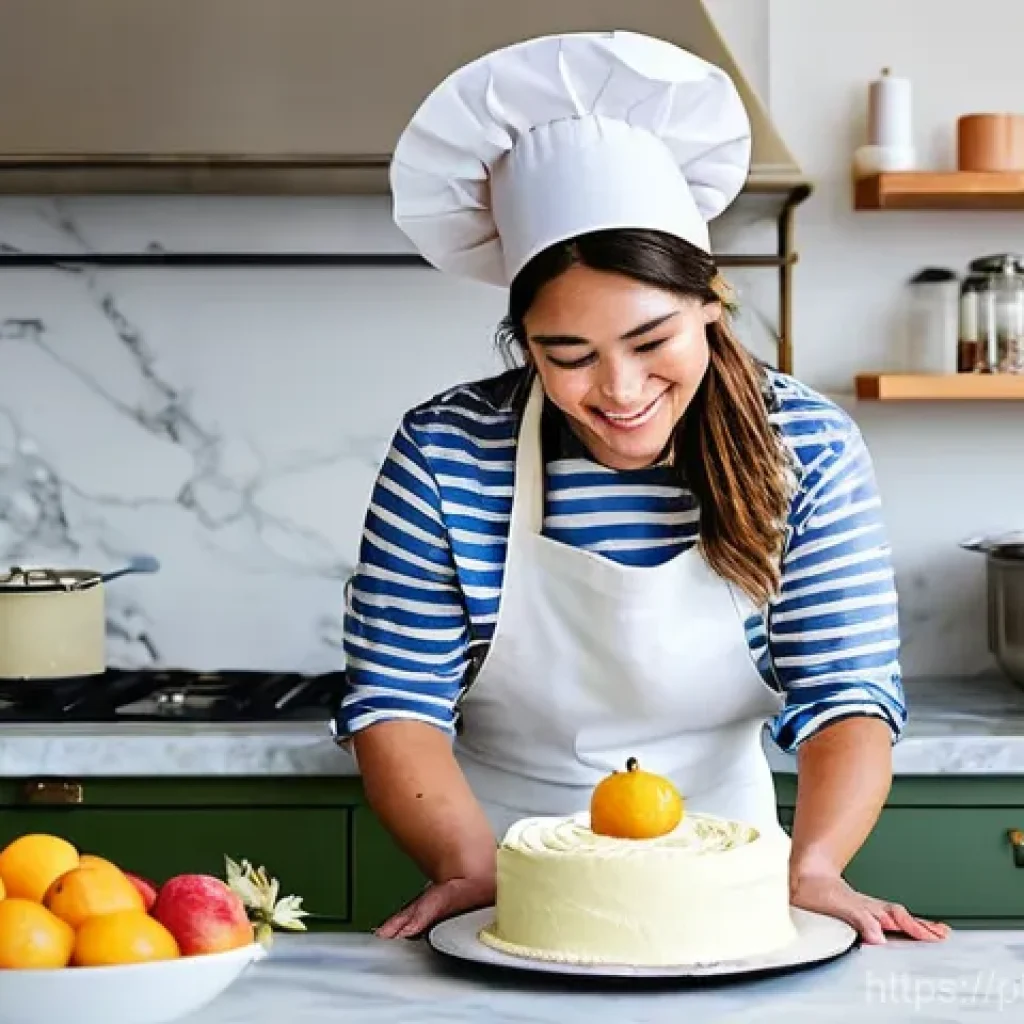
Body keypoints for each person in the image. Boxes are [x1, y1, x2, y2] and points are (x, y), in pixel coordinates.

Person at [334, 30, 950, 947]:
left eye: (653, 341)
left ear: (711, 305)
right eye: (567, 355)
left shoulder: (803, 447)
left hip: (734, 867)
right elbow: (396, 701)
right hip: (495, 862)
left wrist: (813, 868)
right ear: (523, 342)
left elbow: (848, 692)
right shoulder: (448, 451)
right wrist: (467, 868)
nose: (617, 393)